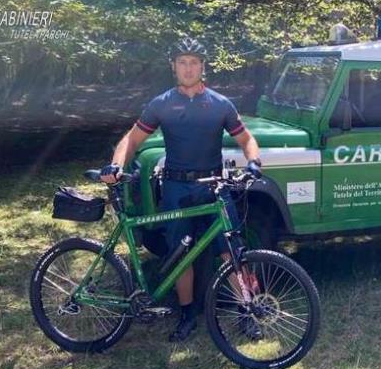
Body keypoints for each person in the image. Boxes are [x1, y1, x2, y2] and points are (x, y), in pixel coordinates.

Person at [100, 37, 263, 342]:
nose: (188, 69)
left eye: (194, 62)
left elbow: (246, 139)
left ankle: (247, 310)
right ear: (173, 67)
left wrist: (254, 161)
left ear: (203, 67)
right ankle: (187, 314)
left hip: (214, 185)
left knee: (233, 252)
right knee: (180, 257)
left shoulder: (220, 104)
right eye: (182, 62)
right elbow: (132, 140)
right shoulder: (162, 103)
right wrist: (116, 165)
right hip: (175, 187)